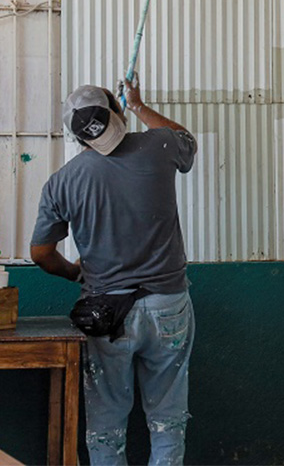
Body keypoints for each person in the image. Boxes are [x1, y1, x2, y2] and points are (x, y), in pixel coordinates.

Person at [30, 77, 197, 464]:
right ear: (117, 113)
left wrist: (75, 273)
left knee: (106, 426)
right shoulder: (160, 146)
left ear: (77, 137)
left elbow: (41, 253)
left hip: (105, 311)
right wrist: (138, 105)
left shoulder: (62, 182)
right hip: (168, 305)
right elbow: (186, 140)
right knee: (167, 420)